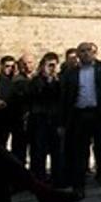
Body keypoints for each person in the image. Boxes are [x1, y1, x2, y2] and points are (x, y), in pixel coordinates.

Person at [60, 42, 101, 201]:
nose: (86, 53)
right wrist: (64, 121)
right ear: (78, 55)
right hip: (80, 115)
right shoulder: (71, 73)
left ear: (95, 53)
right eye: (83, 51)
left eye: (89, 51)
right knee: (79, 153)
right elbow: (65, 97)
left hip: (100, 115)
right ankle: (78, 188)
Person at [28, 53, 64, 185]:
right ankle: (40, 179)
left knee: (57, 151)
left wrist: (54, 79)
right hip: (40, 119)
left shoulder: (60, 80)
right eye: (49, 65)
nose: (52, 68)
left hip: (55, 119)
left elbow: (62, 97)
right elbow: (35, 94)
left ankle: (58, 178)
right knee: (39, 151)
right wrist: (46, 78)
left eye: (54, 65)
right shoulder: (36, 81)